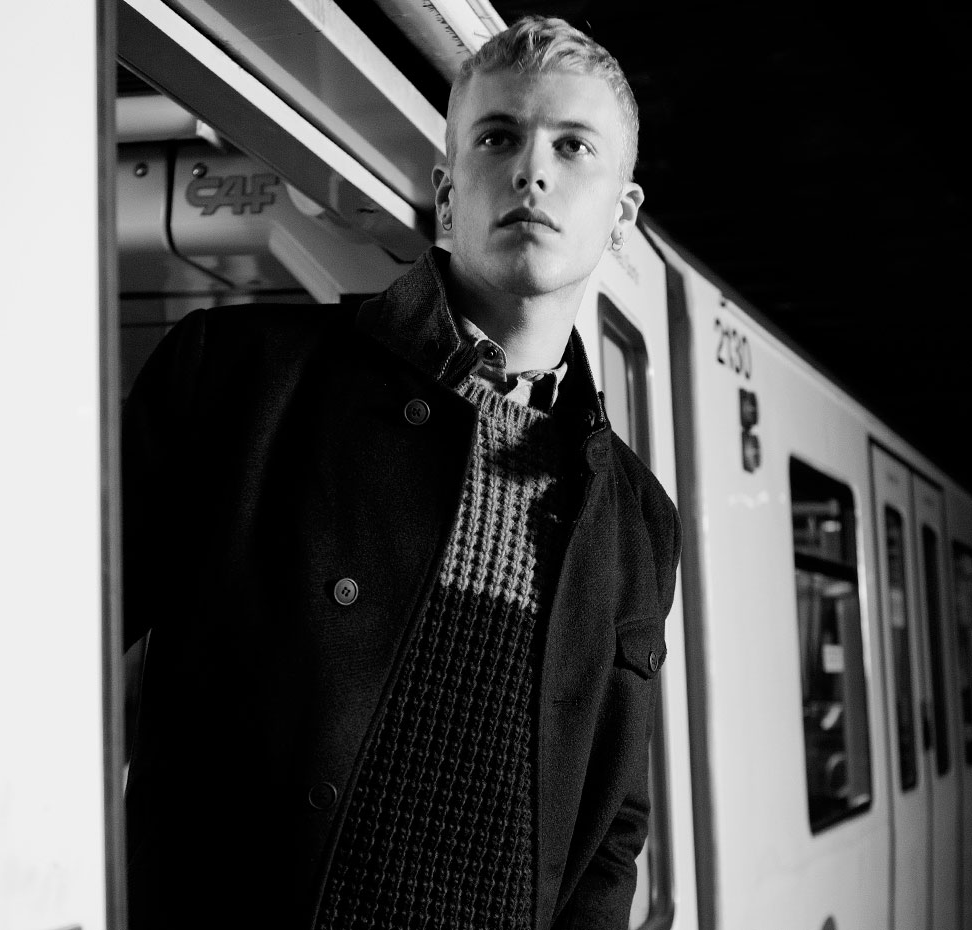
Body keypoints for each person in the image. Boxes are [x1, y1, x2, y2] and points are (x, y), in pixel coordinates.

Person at [120, 15, 678, 930]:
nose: (531, 171)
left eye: (573, 146)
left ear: (620, 216)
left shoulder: (640, 520)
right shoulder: (236, 378)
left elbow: (613, 828)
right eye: (497, 137)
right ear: (448, 193)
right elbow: (50, 656)